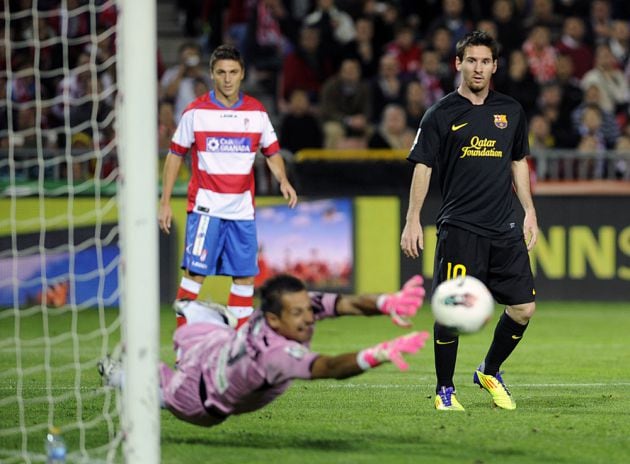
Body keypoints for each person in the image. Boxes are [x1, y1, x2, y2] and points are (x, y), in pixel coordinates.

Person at [400, 31, 538, 411]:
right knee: (450, 310)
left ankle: (489, 370)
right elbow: (423, 167)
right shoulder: (440, 114)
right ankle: (445, 390)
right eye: (471, 60)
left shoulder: (510, 111)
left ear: (495, 66)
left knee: (524, 308)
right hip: (460, 228)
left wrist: (529, 210)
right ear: (458, 64)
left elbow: (518, 161)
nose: (478, 68)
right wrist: (413, 219)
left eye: (485, 61)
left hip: (504, 228)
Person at [98, 274, 429, 427]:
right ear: (272, 317)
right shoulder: (276, 352)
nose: (308, 319)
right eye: (298, 314)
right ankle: (201, 319)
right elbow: (327, 366)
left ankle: (119, 376)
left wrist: (387, 302)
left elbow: (345, 304)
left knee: (144, 376)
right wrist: (379, 353)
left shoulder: (279, 327)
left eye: (308, 310)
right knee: (189, 311)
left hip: (201, 393)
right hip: (207, 364)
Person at [159, 45, 298, 330]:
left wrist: (283, 180)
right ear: (212, 75)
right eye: (221, 72)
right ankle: (184, 346)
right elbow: (175, 154)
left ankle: (237, 348)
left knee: (245, 278)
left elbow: (272, 152)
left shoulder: (256, 113)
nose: (227, 79)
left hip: (242, 212)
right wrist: (164, 201)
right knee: (194, 276)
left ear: (242, 74)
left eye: (233, 72)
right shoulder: (195, 112)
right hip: (205, 209)